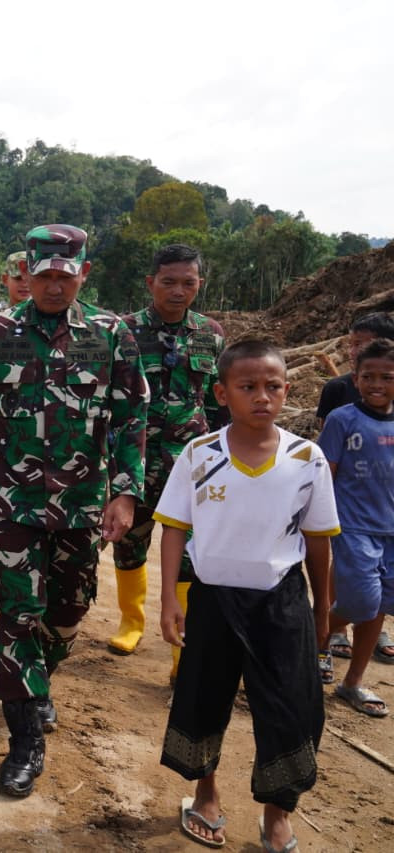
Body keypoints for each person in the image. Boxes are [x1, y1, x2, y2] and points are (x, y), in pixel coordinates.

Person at [0, 224, 147, 798]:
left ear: (83, 274)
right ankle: (25, 739)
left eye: (65, 275)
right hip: (13, 499)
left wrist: (125, 491)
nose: (54, 285)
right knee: (17, 613)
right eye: (43, 275)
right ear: (25, 274)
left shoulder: (110, 334)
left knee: (68, 613)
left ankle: (37, 683)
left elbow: (133, 417)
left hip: (84, 502)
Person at [156, 339, 338, 852]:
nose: (263, 397)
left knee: (289, 707)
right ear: (222, 392)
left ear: (286, 391)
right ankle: (206, 793)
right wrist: (169, 599)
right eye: (248, 387)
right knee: (204, 696)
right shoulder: (199, 454)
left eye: (274, 387)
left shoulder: (308, 458)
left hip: (281, 603)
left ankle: (277, 814)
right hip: (213, 600)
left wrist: (321, 609)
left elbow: (319, 543)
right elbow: (174, 529)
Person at [108, 244, 225, 663]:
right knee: (130, 542)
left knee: (192, 552)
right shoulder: (123, 331)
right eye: (169, 282)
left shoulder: (210, 333)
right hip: (135, 459)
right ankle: (131, 622)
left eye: (188, 283)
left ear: (199, 284)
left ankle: (182, 642)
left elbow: (216, 402)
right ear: (150, 283)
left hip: (190, 463)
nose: (178, 291)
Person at [317, 337, 394, 716]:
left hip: (391, 530)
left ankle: (353, 683)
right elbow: (325, 474)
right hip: (353, 526)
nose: (377, 384)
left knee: (378, 606)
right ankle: (315, 635)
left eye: (387, 377)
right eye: (368, 376)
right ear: (355, 377)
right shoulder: (342, 419)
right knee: (362, 601)